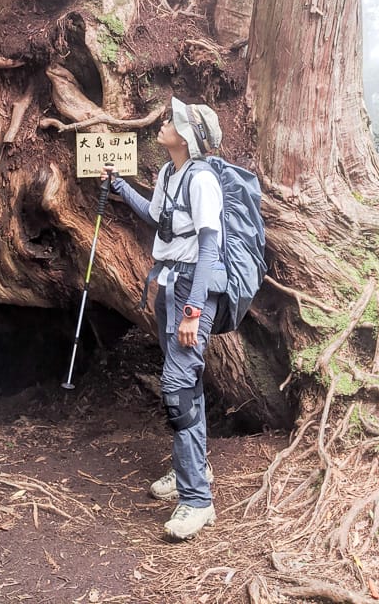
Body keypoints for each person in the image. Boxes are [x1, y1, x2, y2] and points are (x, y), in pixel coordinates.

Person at [106, 96, 226, 541]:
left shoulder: (202, 181)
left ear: (189, 137)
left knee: (176, 391)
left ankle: (197, 501)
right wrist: (120, 188)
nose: (164, 123)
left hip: (192, 289)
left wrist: (194, 310)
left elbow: (210, 248)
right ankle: (190, 470)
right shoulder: (167, 173)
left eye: (174, 121)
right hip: (167, 287)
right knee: (187, 384)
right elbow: (158, 219)